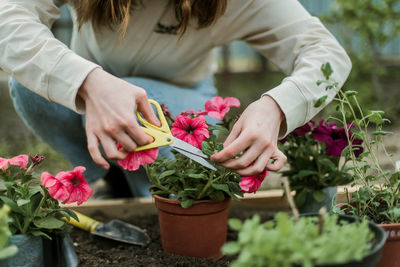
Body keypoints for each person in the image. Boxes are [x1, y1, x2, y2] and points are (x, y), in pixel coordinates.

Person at [0, 0, 351, 197]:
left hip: (180, 107)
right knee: (28, 84)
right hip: (90, 103)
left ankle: (149, 195)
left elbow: (326, 54)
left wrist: (276, 106)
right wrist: (88, 81)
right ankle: (112, 176)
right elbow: (8, 16)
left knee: (146, 101)